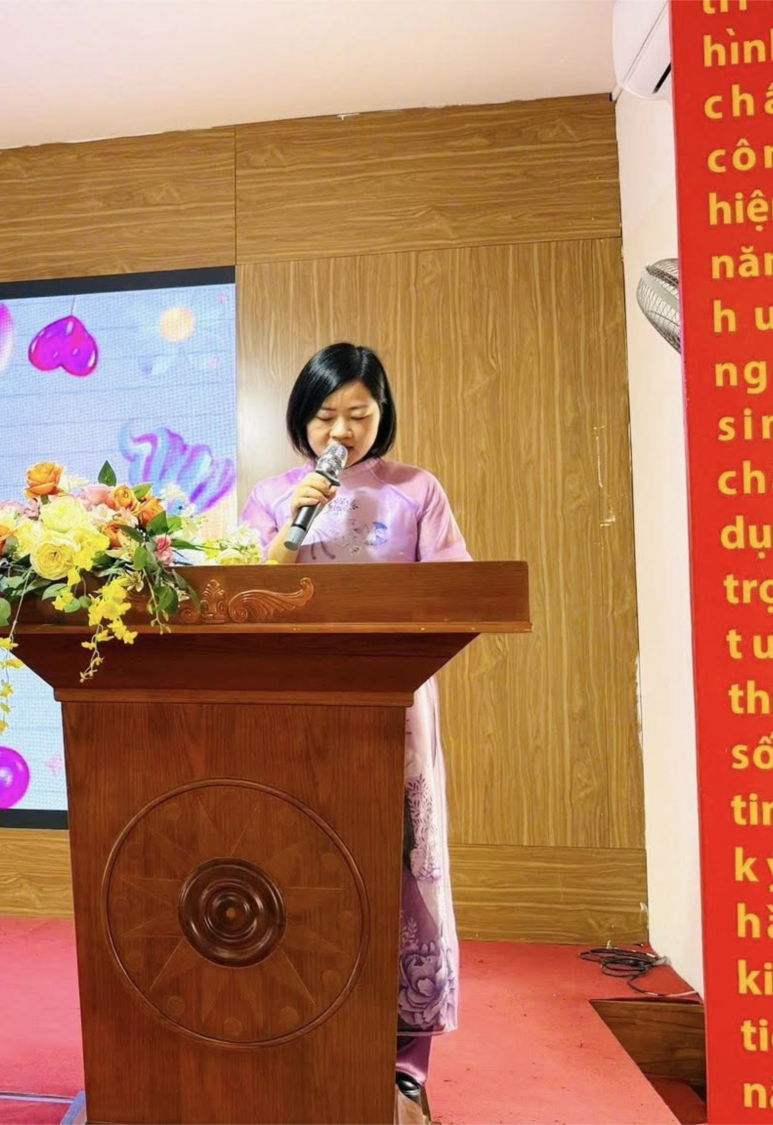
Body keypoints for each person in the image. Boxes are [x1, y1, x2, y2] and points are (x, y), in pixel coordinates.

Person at [239, 343, 468, 1125]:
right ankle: (300, 1031)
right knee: (300, 863)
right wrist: (291, 529)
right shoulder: (272, 496)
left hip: (394, 708)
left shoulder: (417, 489)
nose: (342, 430)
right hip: (294, 709)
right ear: (302, 418)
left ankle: (404, 1065)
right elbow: (238, 596)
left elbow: (456, 589)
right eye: (326, 414)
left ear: (382, 415)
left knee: (400, 867)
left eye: (359, 414)